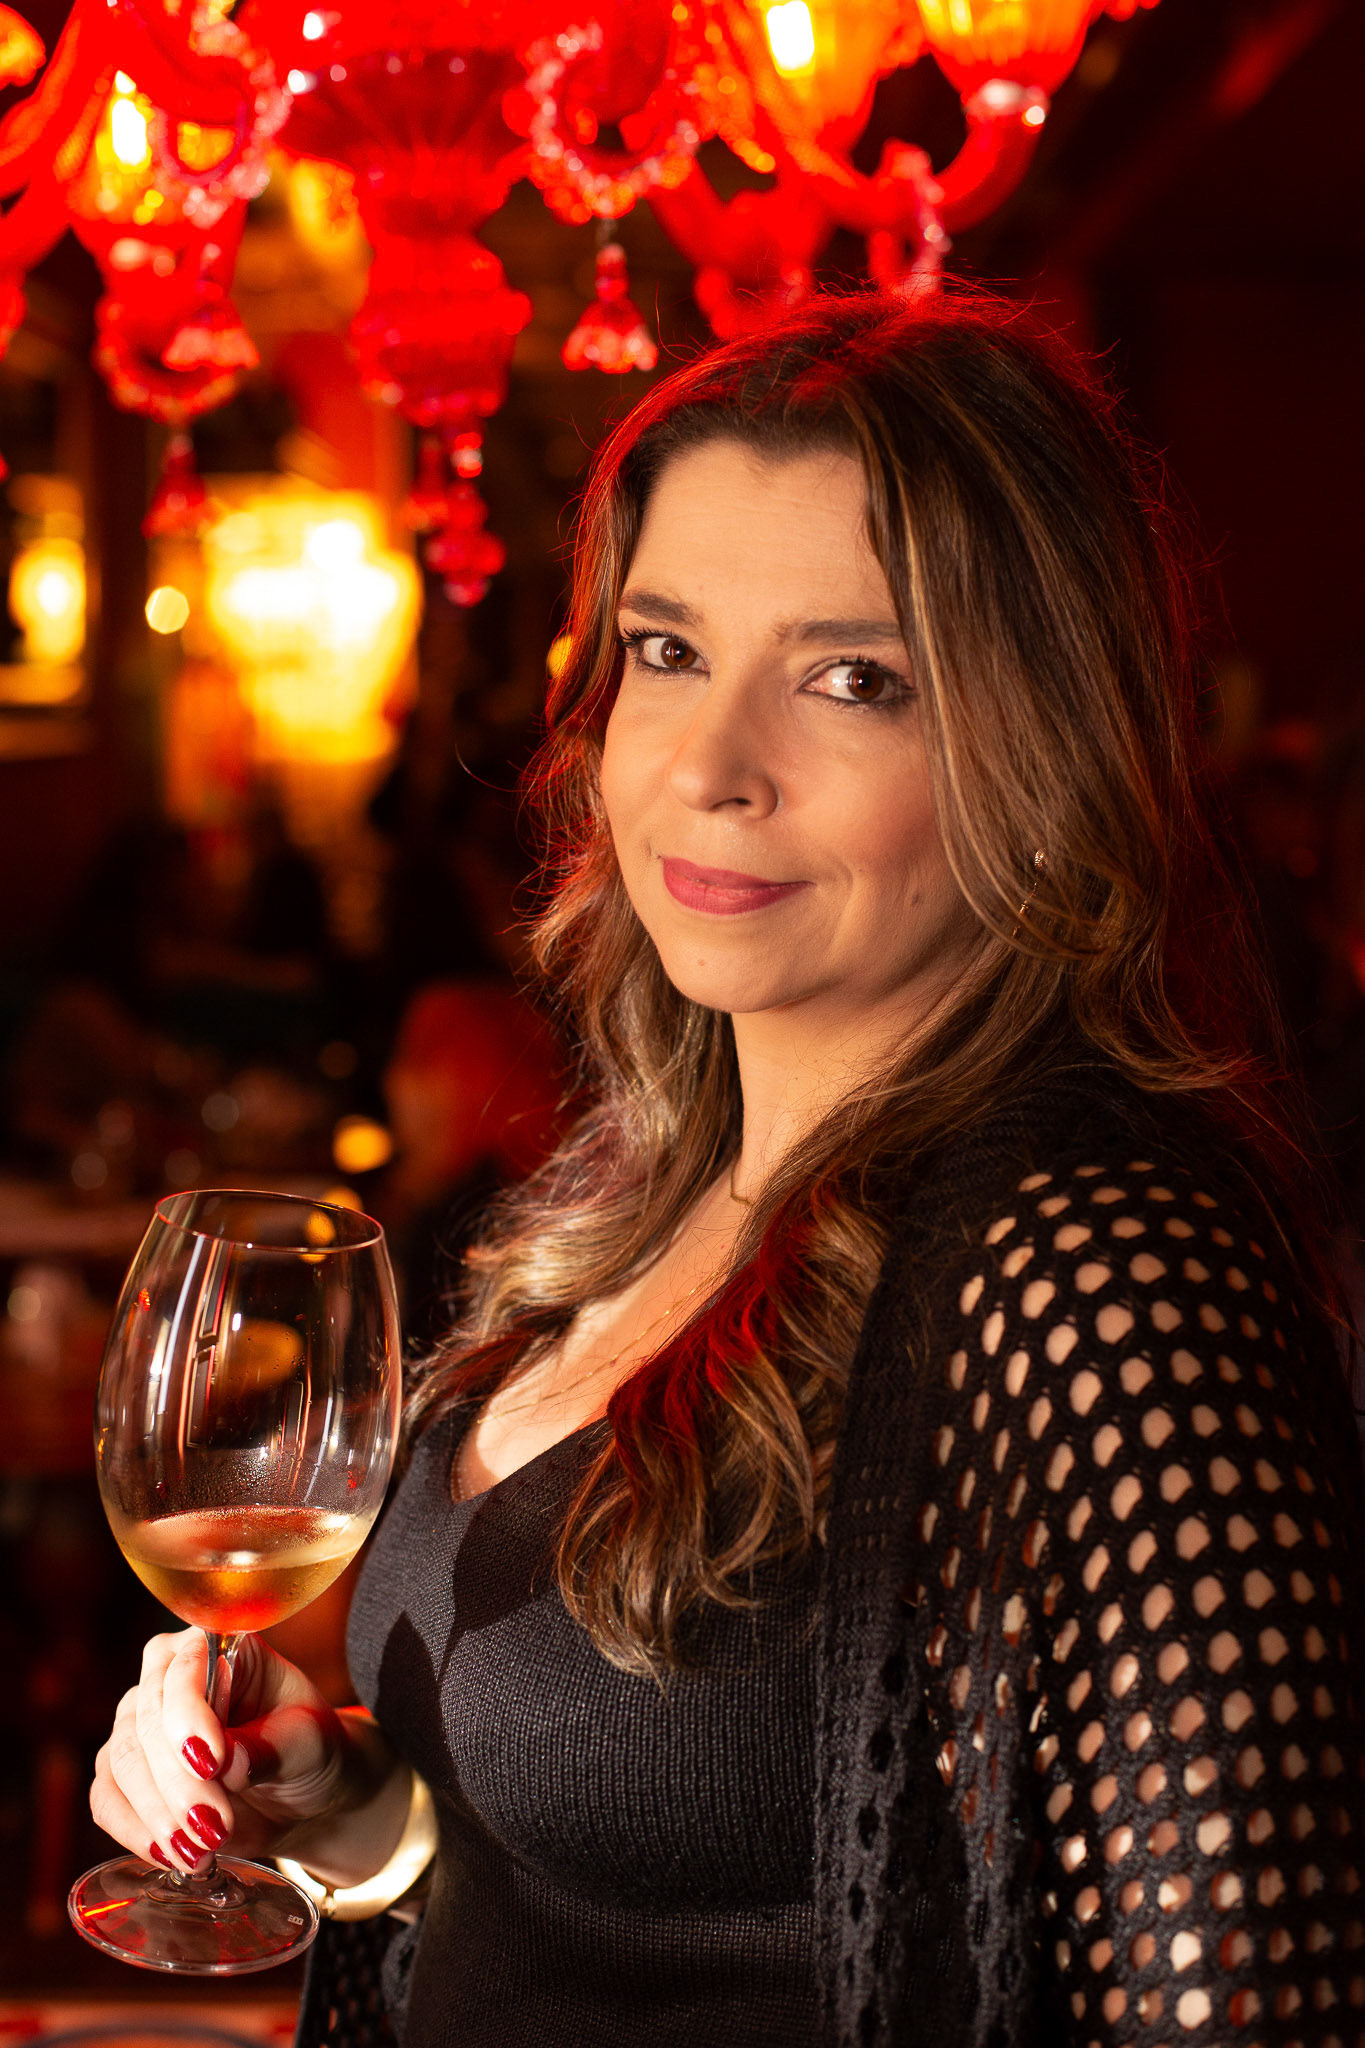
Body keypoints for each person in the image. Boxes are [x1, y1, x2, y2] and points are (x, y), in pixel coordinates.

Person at [89, 290, 1365, 2046]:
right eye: (668, 650)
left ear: (1035, 745)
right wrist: (359, 1822)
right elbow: (649, 1899)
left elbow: (1262, 2013)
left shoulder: (1103, 1276)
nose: (706, 767)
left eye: (852, 680)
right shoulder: (645, 1189)